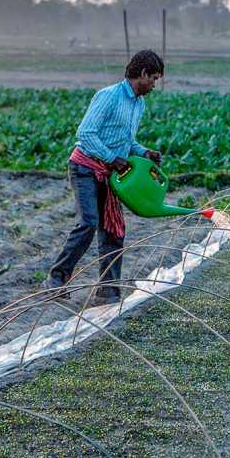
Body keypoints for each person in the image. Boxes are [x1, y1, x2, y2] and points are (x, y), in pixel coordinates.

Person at [43, 49, 164, 305]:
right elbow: (86, 134)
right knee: (88, 222)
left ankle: (107, 289)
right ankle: (56, 278)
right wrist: (111, 158)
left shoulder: (138, 103)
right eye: (153, 78)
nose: (154, 84)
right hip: (85, 167)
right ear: (141, 74)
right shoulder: (108, 96)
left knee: (113, 230)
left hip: (108, 173)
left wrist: (144, 152)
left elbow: (126, 140)